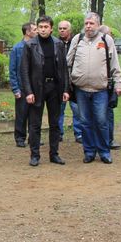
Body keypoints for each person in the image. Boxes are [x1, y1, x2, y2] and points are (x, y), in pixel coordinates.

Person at [67, 12, 121, 164]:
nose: (88, 26)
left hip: (101, 89)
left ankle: (104, 151)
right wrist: (67, 83)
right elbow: (68, 62)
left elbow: (114, 64)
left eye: (91, 23)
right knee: (85, 121)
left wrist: (118, 83)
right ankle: (89, 151)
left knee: (101, 121)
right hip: (81, 89)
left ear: (98, 25)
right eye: (86, 23)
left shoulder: (106, 40)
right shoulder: (77, 40)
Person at [20, 15, 70, 166]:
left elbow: (63, 69)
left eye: (46, 27)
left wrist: (66, 89)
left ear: (51, 28)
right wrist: (28, 92)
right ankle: (35, 155)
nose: (43, 29)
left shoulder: (58, 44)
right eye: (40, 27)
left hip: (54, 88)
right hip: (37, 89)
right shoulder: (30, 45)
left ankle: (54, 154)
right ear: (37, 28)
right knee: (35, 124)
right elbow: (24, 70)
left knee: (54, 123)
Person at [9, 22, 35, 147]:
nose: (37, 31)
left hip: (35, 87)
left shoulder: (37, 46)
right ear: (28, 32)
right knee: (22, 114)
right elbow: (12, 70)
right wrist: (15, 89)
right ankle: (20, 138)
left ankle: (33, 137)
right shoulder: (17, 48)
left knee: (34, 114)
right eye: (35, 29)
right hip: (22, 87)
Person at [56, 20, 83, 144]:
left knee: (77, 109)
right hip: (60, 83)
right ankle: (58, 133)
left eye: (64, 28)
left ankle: (79, 133)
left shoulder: (78, 42)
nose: (62, 30)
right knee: (59, 109)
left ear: (69, 30)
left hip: (75, 82)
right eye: (60, 28)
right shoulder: (55, 43)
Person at [100, 24, 121, 150]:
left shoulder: (110, 46)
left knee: (108, 112)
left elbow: (115, 66)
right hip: (98, 85)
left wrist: (117, 83)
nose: (111, 37)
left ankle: (109, 139)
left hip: (109, 85)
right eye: (109, 34)